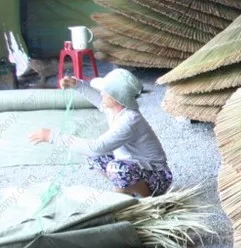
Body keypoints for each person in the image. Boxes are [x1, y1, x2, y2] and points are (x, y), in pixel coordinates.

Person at [28, 69, 172, 198]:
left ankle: (147, 198)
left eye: (105, 92)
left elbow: (96, 147)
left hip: (158, 176)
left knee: (115, 168)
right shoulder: (115, 108)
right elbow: (97, 98)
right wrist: (76, 84)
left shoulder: (129, 120)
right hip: (135, 165)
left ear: (117, 97)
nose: (102, 93)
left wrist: (53, 137)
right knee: (94, 158)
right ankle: (127, 187)